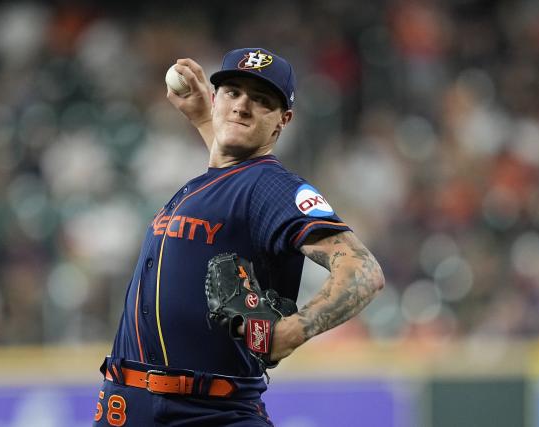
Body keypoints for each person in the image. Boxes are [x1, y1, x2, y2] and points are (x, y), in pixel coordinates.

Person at [92, 47, 384, 427]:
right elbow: (229, 165)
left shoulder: (273, 187)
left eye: (261, 101)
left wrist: (293, 331)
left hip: (213, 412)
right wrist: (202, 118)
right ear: (216, 100)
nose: (242, 106)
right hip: (126, 408)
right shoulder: (211, 182)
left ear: (282, 122)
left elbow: (363, 269)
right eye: (232, 93)